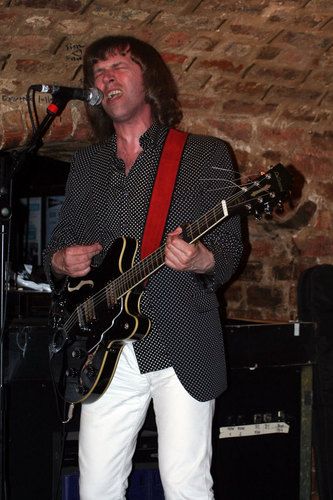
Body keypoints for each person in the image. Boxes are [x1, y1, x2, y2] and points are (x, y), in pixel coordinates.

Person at [44, 35, 243, 500]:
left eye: (118, 66)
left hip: (181, 341)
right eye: (98, 73)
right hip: (106, 350)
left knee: (185, 484)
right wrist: (61, 260)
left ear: (149, 78)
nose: (106, 78)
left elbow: (230, 252)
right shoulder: (88, 165)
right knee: (96, 487)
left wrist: (200, 258)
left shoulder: (205, 155)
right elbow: (58, 248)